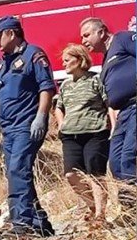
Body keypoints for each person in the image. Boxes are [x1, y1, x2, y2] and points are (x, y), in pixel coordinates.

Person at [0, 16, 55, 237]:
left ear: (11, 33)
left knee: (17, 169)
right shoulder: (4, 63)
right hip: (8, 129)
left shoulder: (34, 55)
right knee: (15, 174)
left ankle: (21, 224)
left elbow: (46, 88)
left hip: (27, 125)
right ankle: (40, 222)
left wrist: (41, 116)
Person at [54, 44, 110, 225]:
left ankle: (100, 216)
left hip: (95, 133)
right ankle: (92, 205)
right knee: (71, 175)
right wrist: (62, 125)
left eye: (67, 60)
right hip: (71, 135)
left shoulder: (96, 80)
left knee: (95, 174)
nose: (64, 64)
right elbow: (58, 108)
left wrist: (113, 126)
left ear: (79, 59)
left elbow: (109, 103)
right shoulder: (65, 85)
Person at [80, 18, 136, 198]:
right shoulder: (106, 60)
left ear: (102, 32)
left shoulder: (122, 39)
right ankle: (129, 210)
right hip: (124, 113)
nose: (83, 41)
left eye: (87, 35)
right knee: (115, 161)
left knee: (128, 157)